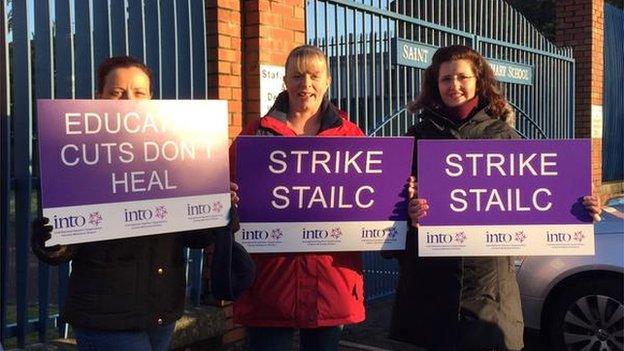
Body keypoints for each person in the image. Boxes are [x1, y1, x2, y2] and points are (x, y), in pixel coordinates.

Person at [31, 56, 253, 351]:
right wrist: (50, 237)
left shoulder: (174, 155)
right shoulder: (77, 156)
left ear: (151, 99)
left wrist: (217, 207)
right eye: (117, 92)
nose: (129, 101)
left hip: (162, 314)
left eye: (139, 93)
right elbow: (60, 249)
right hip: (106, 318)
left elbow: (194, 238)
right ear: (100, 98)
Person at [388, 45, 602, 351]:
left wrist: (580, 210)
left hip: (490, 288)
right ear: (435, 84)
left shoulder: (504, 136)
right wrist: (409, 215)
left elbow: (537, 201)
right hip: (431, 290)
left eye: (462, 77)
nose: (454, 85)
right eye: (446, 79)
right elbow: (391, 220)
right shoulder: (417, 137)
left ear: (478, 79)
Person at [232, 45, 365, 351]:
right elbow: (226, 188)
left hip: (331, 281)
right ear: (285, 81)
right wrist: (228, 194)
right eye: (297, 75)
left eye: (314, 75)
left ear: (328, 80)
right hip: (270, 282)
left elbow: (369, 198)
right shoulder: (255, 134)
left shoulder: (351, 136)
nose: (306, 84)